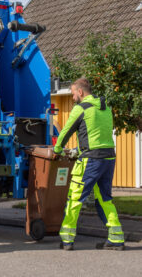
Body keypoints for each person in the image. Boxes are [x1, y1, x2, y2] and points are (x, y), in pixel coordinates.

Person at [53, 77, 124, 251]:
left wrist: (57, 150)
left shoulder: (81, 108)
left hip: (90, 161)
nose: (72, 97)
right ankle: (116, 238)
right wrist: (80, 147)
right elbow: (96, 134)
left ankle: (67, 239)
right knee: (105, 198)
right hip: (108, 158)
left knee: (75, 198)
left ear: (80, 92)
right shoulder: (106, 107)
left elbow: (66, 132)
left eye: (72, 93)